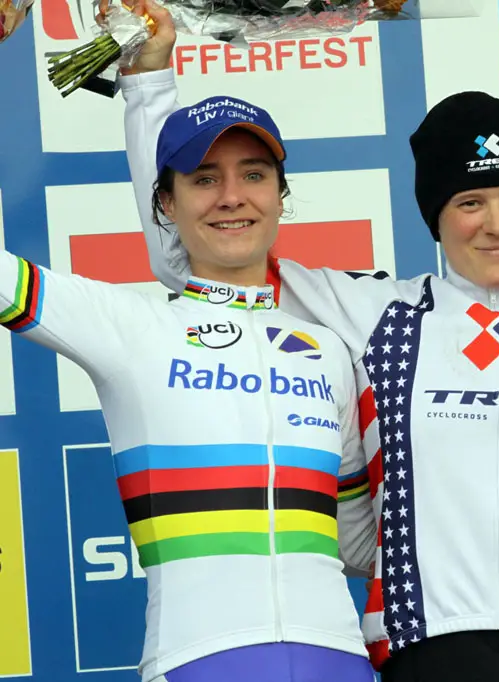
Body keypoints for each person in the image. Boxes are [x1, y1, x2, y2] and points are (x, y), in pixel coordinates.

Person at [115, 4, 499, 681]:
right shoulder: (373, 313)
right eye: (469, 202)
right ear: (436, 216)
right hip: (427, 654)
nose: (497, 224)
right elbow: (190, 260)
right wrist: (148, 84)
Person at [2, 12, 378, 678]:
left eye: (254, 175)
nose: (232, 197)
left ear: (281, 196)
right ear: (166, 206)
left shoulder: (328, 351)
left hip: (339, 661)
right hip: (199, 659)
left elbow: (358, 543)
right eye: (204, 179)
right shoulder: (131, 327)